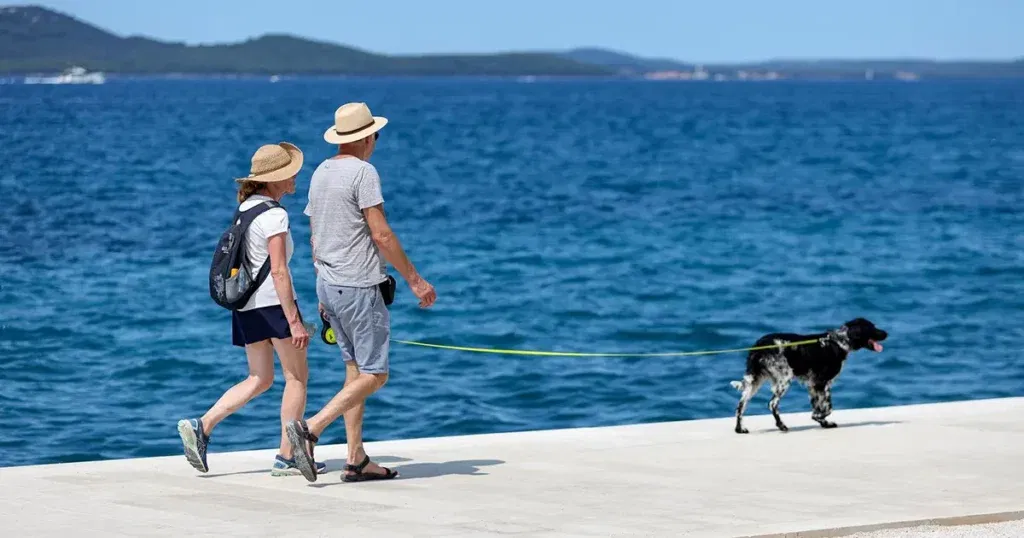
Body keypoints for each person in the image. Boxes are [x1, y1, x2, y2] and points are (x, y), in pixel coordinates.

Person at [285, 102, 436, 483]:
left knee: (354, 371)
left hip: (328, 283)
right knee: (375, 373)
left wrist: (322, 289)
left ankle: (356, 459)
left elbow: (315, 233)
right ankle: (310, 429)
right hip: (358, 286)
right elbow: (381, 233)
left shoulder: (321, 171)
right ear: (367, 136)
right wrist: (416, 280)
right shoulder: (364, 172)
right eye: (376, 136)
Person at [176, 142, 326, 477]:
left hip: (246, 306)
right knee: (296, 378)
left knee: (259, 378)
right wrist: (294, 321)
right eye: (291, 172)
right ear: (277, 178)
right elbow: (278, 271)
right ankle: (287, 457)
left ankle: (203, 425)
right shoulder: (275, 215)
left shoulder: (245, 209)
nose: (296, 177)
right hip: (275, 304)